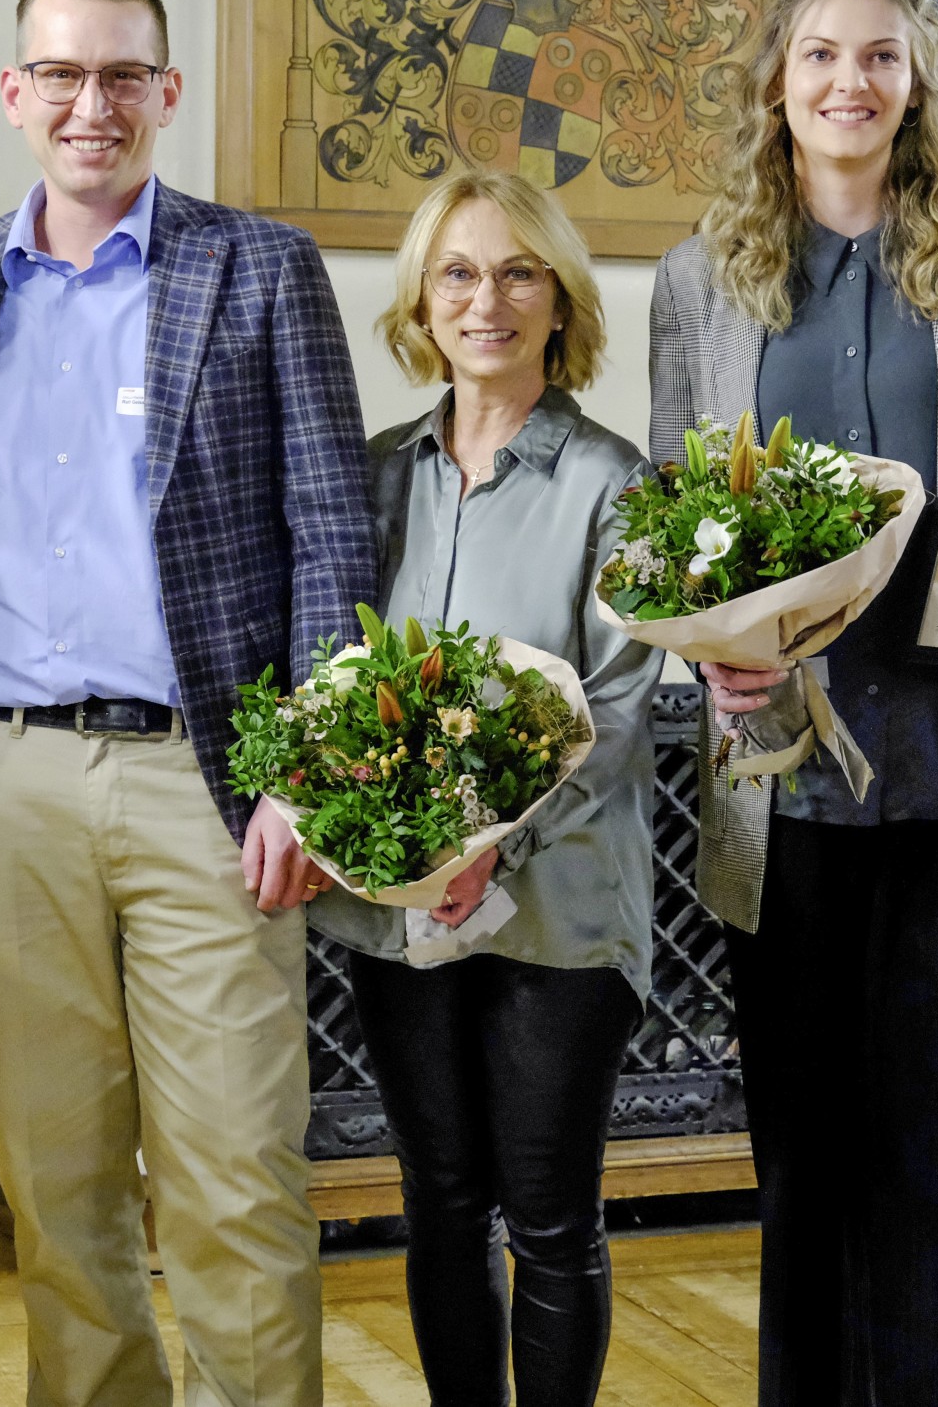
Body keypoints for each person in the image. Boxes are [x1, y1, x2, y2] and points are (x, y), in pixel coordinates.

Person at [0, 0, 372, 1407]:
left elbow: (333, 532)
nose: (89, 104)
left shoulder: (260, 267)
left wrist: (313, 766)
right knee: (58, 1178)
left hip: (209, 782)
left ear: (168, 91)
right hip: (7, 777)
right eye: (60, 74)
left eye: (120, 76)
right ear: (14, 92)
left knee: (237, 1172)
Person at [648, 0, 938, 1405]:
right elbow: (676, 515)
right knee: (811, 1169)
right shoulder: (699, 283)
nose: (851, 81)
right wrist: (712, 656)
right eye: (822, 53)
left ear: (918, 81)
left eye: (881, 57)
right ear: (778, 78)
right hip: (785, 799)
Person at [309, 169, 661, 1407]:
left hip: (559, 909)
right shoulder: (372, 474)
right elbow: (336, 685)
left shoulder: (614, 481)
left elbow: (614, 714)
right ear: (422, 300)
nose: (486, 300)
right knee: (440, 1201)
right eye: (457, 272)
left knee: (550, 1213)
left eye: (519, 272)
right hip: (395, 911)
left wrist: (486, 853)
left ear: (560, 300)